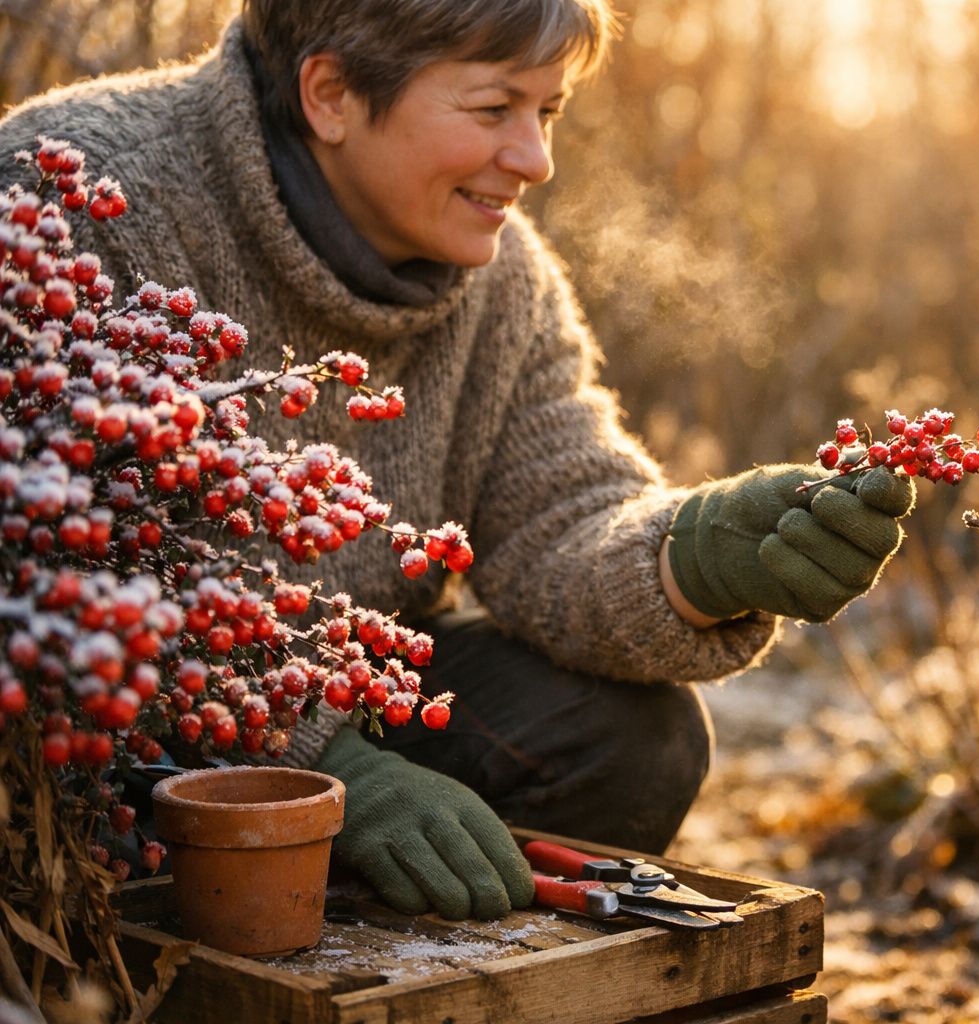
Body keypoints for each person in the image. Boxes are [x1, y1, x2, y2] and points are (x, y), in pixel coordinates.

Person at [0, 0, 915, 921]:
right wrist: (316, 764)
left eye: (548, 112)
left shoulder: (503, 278)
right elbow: (46, 572)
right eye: (494, 110)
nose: (536, 159)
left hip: (353, 693)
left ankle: (408, 977)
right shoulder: (78, 194)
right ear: (331, 94)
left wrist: (702, 553)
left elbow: (564, 516)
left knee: (633, 736)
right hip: (102, 739)